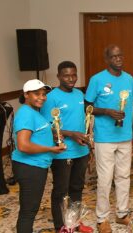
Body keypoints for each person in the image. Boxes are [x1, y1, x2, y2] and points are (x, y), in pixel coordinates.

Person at [85, 45, 133, 233]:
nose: (118, 58)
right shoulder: (97, 79)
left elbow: (130, 110)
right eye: (114, 56)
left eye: (120, 55)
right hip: (104, 137)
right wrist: (106, 111)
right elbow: (87, 106)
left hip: (125, 136)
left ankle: (122, 213)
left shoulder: (129, 79)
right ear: (107, 59)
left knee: (123, 176)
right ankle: (102, 218)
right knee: (105, 179)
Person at [40, 62, 93, 232]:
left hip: (81, 150)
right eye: (66, 75)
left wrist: (87, 141)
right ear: (58, 77)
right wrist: (71, 134)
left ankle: (74, 223)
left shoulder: (79, 94)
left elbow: (82, 120)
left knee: (77, 188)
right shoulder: (51, 97)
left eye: (74, 75)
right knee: (61, 191)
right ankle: (61, 226)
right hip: (62, 153)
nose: (71, 79)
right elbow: (47, 127)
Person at [12, 80, 65, 233]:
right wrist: (50, 149)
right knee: (28, 211)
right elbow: (23, 145)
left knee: (30, 209)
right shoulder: (26, 113)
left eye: (43, 94)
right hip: (29, 167)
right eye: (37, 94)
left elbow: (37, 136)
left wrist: (55, 140)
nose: (41, 97)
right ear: (26, 95)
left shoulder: (34, 112)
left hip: (36, 166)